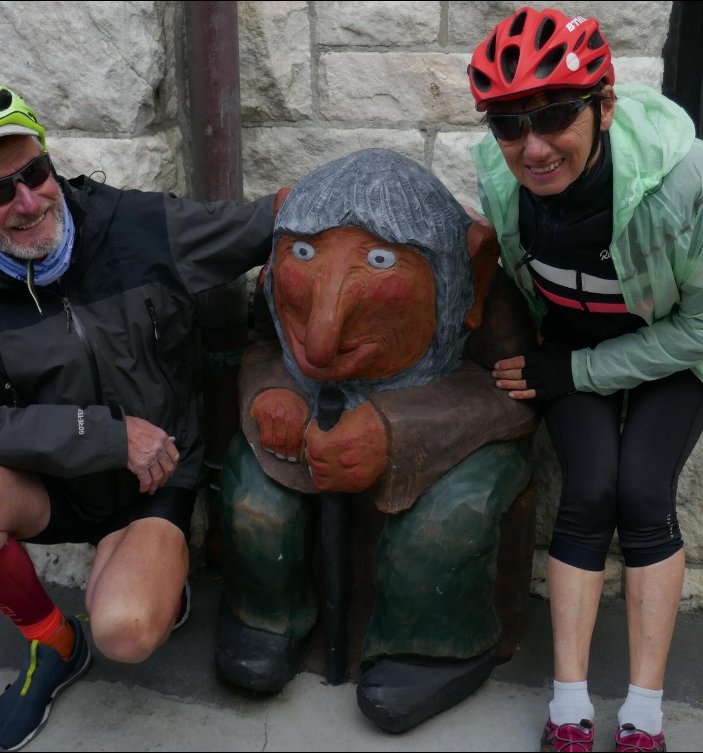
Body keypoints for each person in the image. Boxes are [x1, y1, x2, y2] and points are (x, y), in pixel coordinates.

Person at [0, 86, 275, 752]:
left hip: (153, 481)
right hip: (55, 483)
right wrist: (100, 433)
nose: (26, 201)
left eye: (34, 173)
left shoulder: (133, 225)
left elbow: (259, 225)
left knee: (127, 631)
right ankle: (53, 640)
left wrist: (364, 185)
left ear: (50, 162)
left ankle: (147, 574)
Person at [467, 8, 703, 753]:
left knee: (643, 494)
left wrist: (578, 371)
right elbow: (512, 274)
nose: (531, 146)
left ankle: (643, 715)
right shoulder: (501, 175)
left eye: (555, 115)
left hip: (675, 345)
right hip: (571, 344)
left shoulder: (692, 178)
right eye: (507, 124)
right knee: (590, 490)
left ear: (604, 106)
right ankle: (569, 706)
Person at [216, 148, 539, 733]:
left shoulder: (484, 294)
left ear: (473, 269)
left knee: (447, 522)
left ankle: (433, 645)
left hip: (444, 448)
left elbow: (516, 399)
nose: (321, 337)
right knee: (254, 497)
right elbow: (265, 348)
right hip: (313, 434)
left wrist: (397, 431)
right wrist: (270, 394)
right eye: (305, 253)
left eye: (382, 260)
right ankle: (267, 617)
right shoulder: (274, 290)